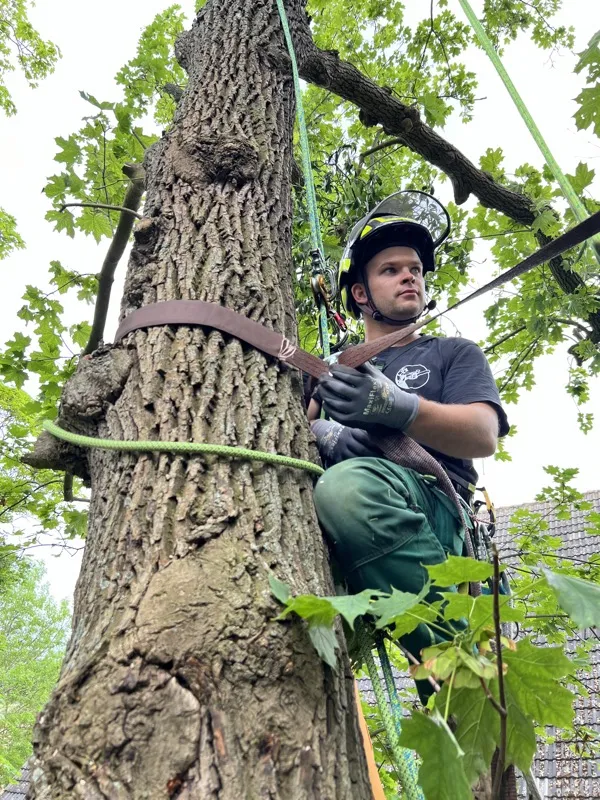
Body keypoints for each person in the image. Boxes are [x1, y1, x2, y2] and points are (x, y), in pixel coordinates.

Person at [308, 191, 509, 694]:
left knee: (347, 489)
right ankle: (452, 684)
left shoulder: (452, 353)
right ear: (360, 294)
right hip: (357, 534)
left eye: (415, 269)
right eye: (391, 269)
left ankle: (460, 672)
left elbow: (483, 434)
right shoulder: (334, 373)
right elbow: (283, 434)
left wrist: (396, 408)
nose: (409, 277)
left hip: (431, 510)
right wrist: (321, 430)